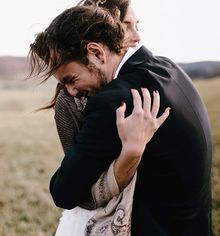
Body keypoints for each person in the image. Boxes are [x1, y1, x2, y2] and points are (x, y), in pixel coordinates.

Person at [29, 5, 212, 236]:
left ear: (96, 53)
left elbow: (63, 192)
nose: (71, 92)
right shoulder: (169, 68)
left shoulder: (115, 102)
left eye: (71, 79)